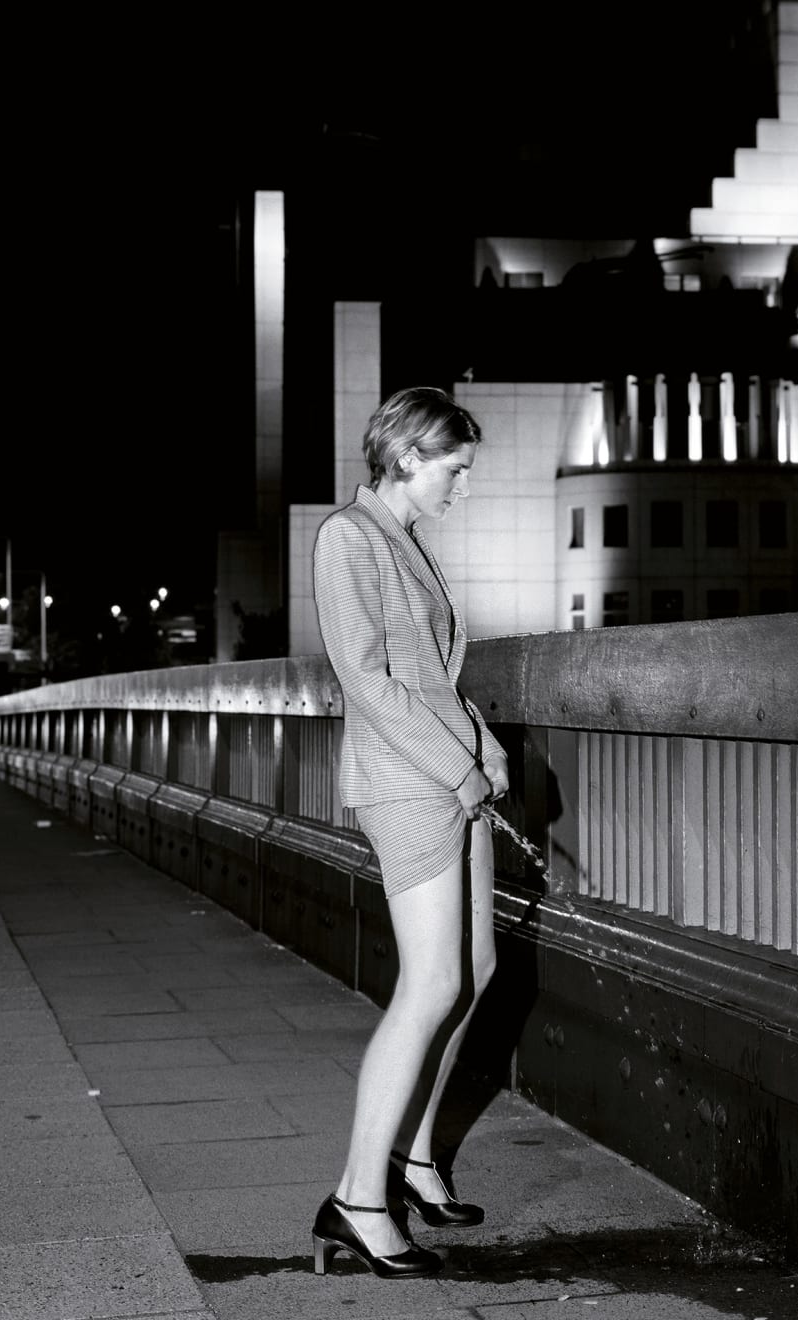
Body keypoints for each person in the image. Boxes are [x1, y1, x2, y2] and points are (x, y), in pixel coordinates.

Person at [309, 386, 509, 1279]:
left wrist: (485, 746)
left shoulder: (405, 542)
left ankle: (415, 1155)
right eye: (455, 470)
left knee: (477, 969)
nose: (463, 487)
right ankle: (357, 1197)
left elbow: (429, 675)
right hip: (408, 779)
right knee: (429, 983)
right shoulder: (346, 538)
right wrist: (457, 764)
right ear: (407, 457)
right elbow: (366, 678)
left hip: (448, 770)